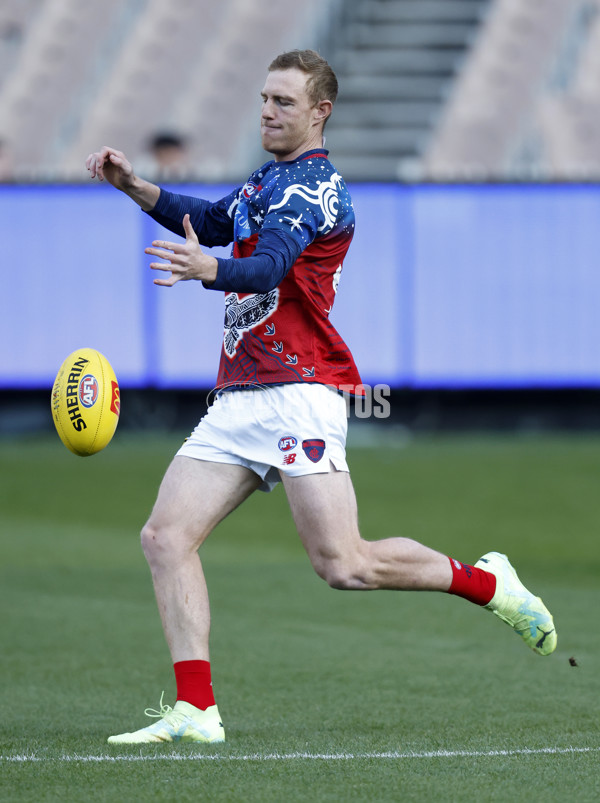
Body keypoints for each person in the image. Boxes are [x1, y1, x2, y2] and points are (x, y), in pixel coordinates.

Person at [86, 49, 557, 745]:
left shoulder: (316, 189)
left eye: (283, 101)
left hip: (299, 390)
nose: (268, 111)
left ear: (319, 112)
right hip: (241, 392)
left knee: (345, 565)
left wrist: (209, 270)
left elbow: (270, 262)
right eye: (264, 98)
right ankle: (197, 707)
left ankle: (489, 583)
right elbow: (214, 220)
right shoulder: (270, 179)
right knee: (165, 536)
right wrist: (135, 187)